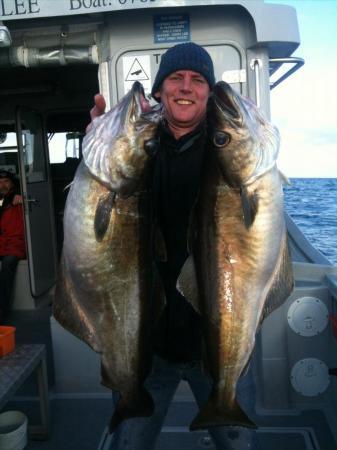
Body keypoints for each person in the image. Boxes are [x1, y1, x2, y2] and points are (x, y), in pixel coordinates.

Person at [90, 42, 260, 450]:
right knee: (128, 444)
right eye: (176, 78)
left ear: (207, 91)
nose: (186, 87)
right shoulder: (140, 149)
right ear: (160, 90)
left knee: (238, 444)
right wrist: (100, 150)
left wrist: (245, 139)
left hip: (219, 344)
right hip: (148, 347)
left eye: (198, 79)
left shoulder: (227, 151)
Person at [0, 170, 26, 323]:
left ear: (12, 184)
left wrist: (22, 198)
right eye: (0, 182)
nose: (2, 185)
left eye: (6, 182)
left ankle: (3, 309)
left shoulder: (17, 198)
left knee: (8, 263)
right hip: (3, 244)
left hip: (15, 244)